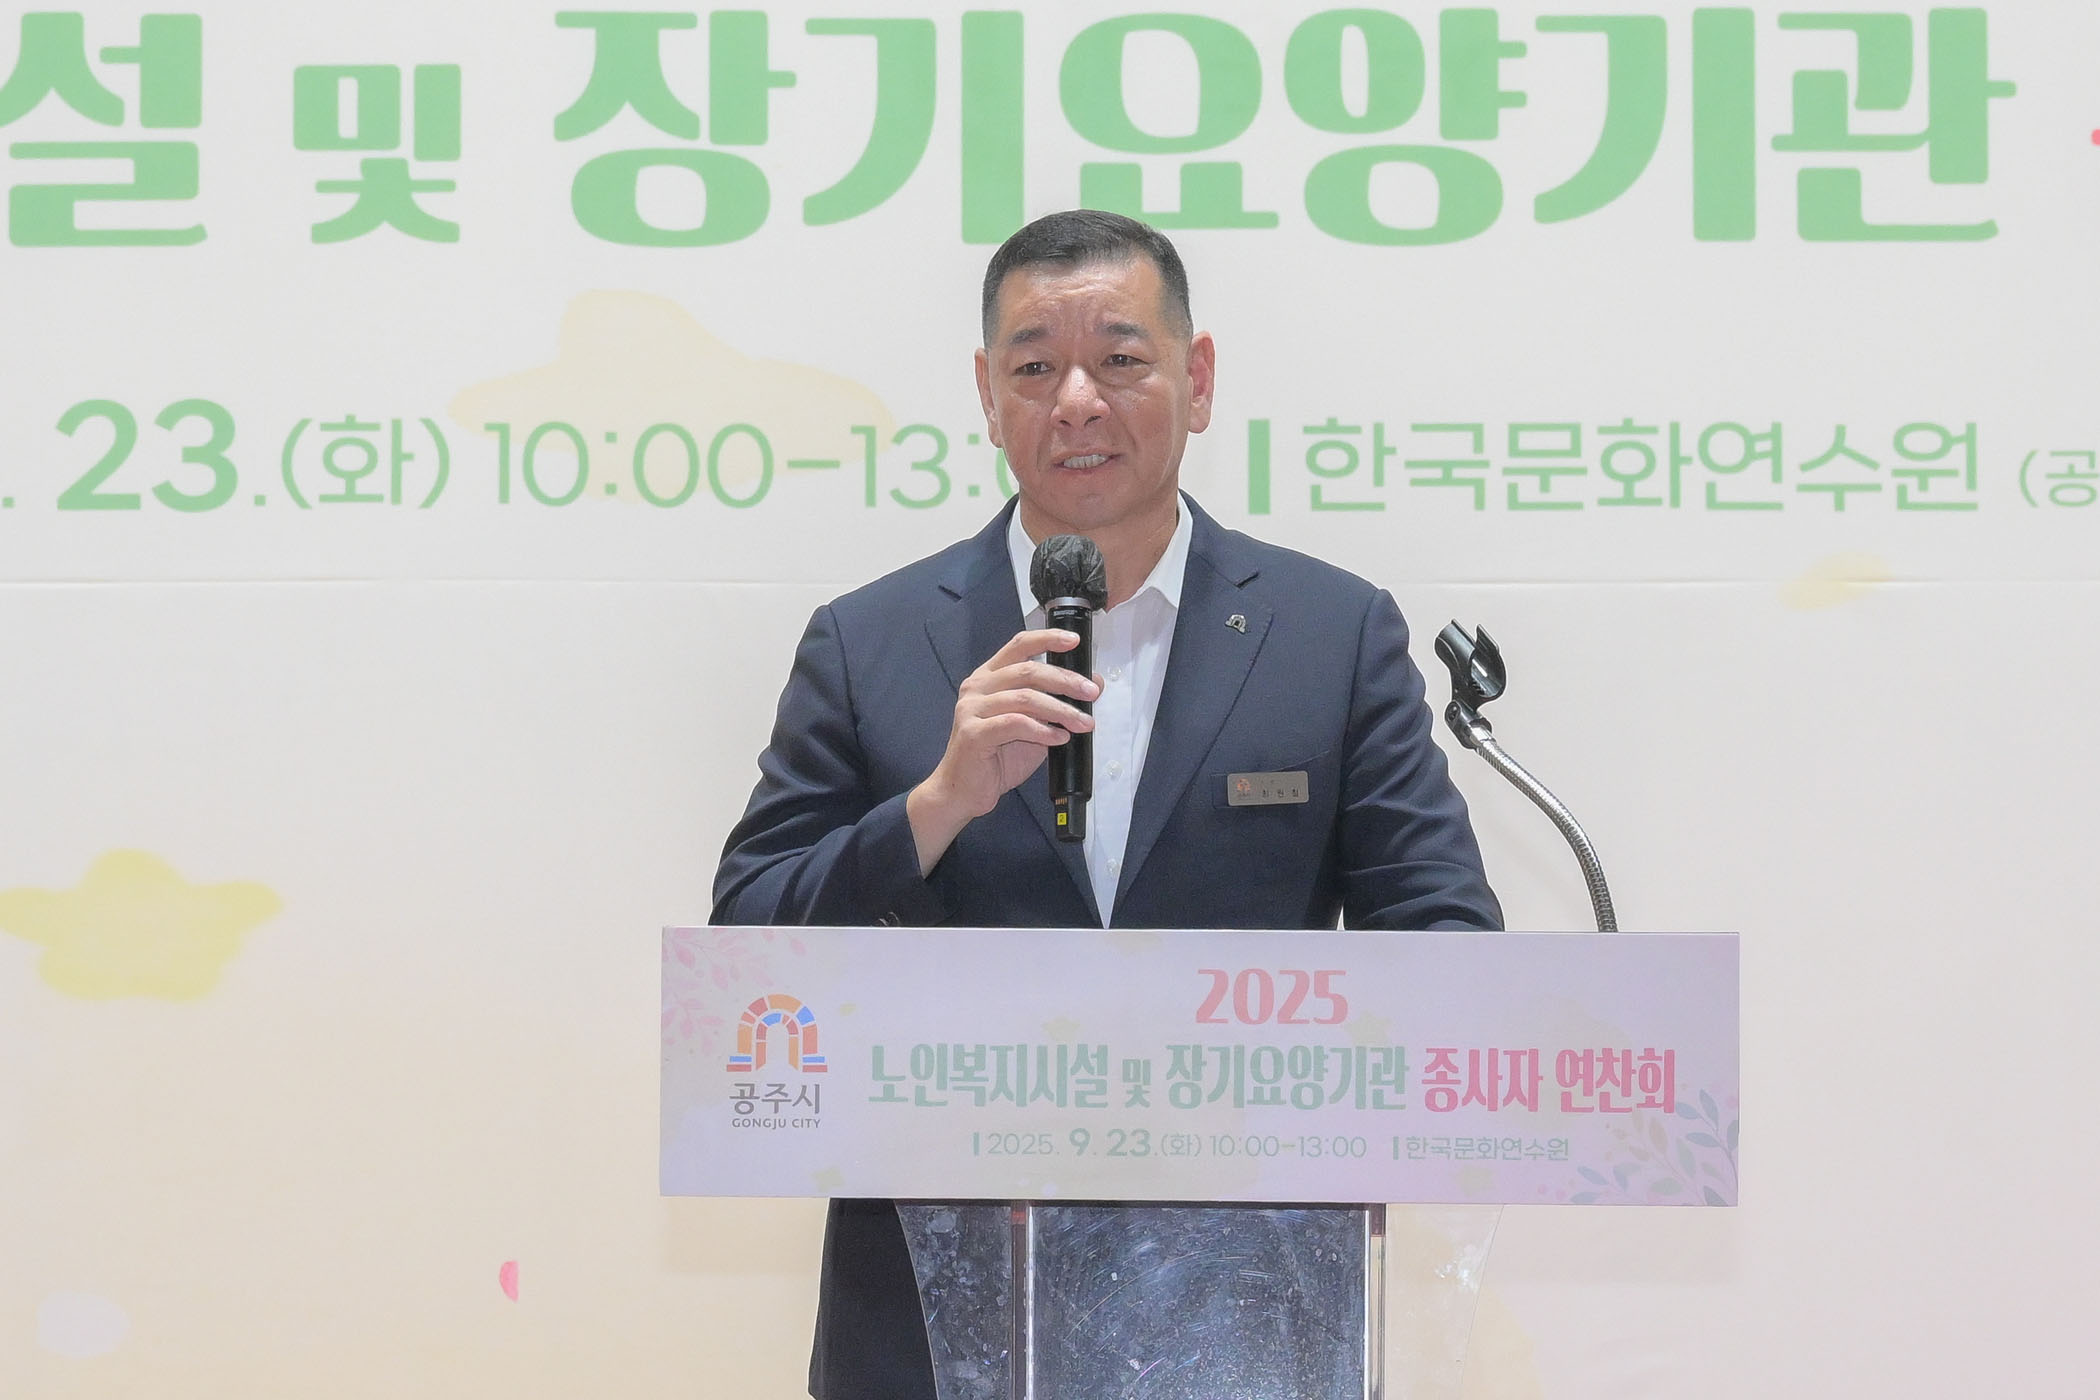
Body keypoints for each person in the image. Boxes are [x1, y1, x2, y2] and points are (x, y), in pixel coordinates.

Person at [712, 210, 1501, 1400]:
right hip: (933, 1329)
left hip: (1250, 1319)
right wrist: (935, 804)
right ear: (988, 397)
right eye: (1034, 368)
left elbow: (1444, 942)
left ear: (1199, 377)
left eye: (1121, 359)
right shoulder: (870, 641)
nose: (1076, 400)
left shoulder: (1330, 633)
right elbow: (743, 951)